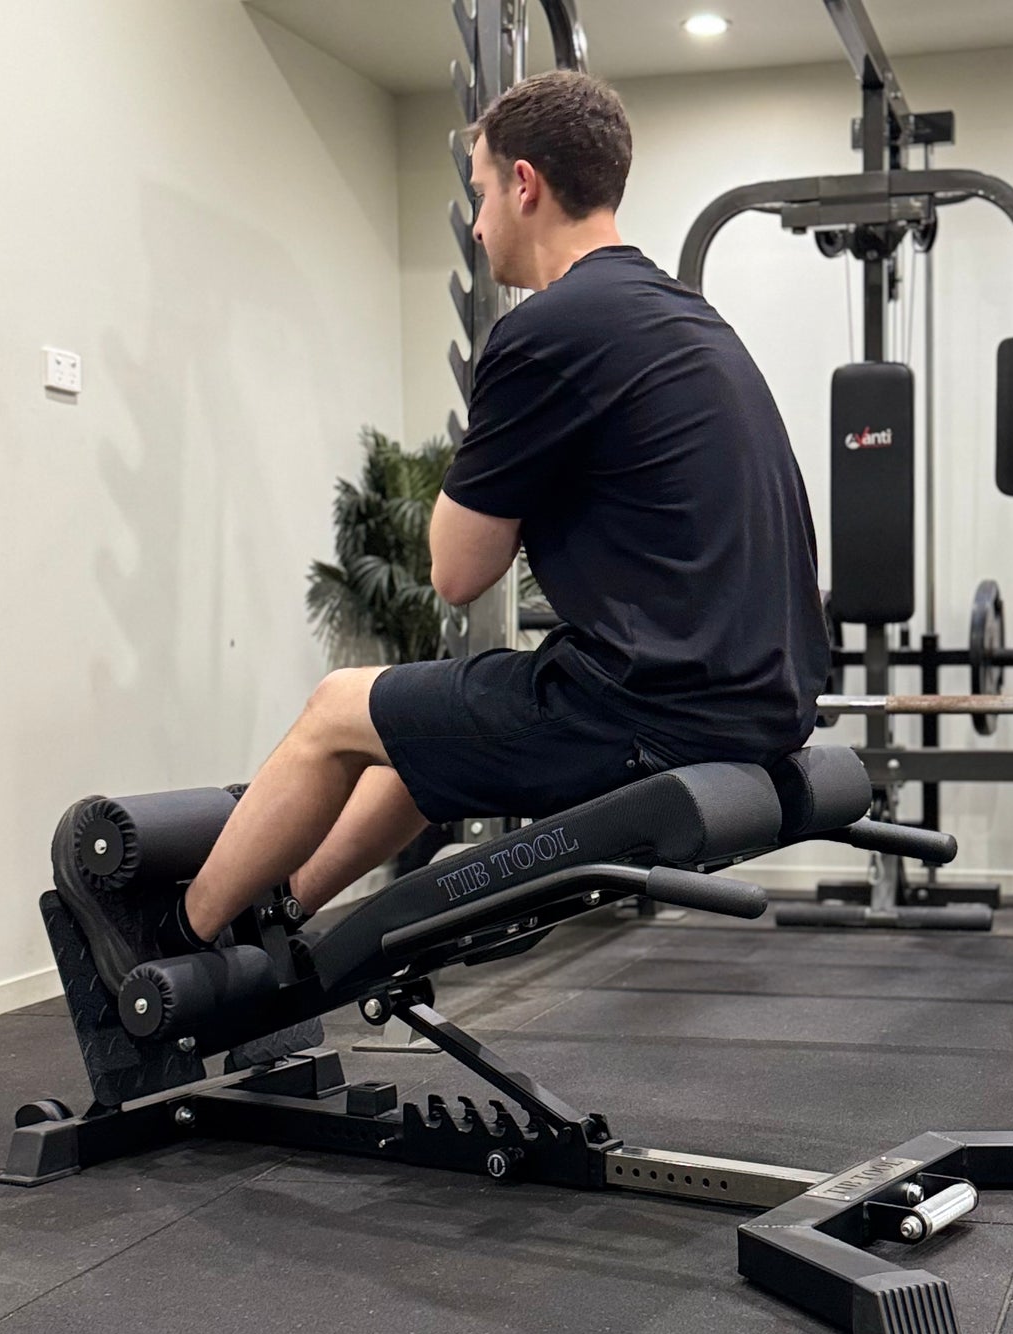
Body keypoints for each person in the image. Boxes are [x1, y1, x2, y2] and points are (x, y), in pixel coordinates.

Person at [53, 69, 829, 987]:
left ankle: (175, 944)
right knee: (415, 735)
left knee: (334, 711)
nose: (477, 222)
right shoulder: (689, 316)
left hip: (646, 711)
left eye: (480, 192)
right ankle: (282, 916)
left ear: (525, 184)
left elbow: (457, 570)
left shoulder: (549, 330)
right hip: (759, 704)